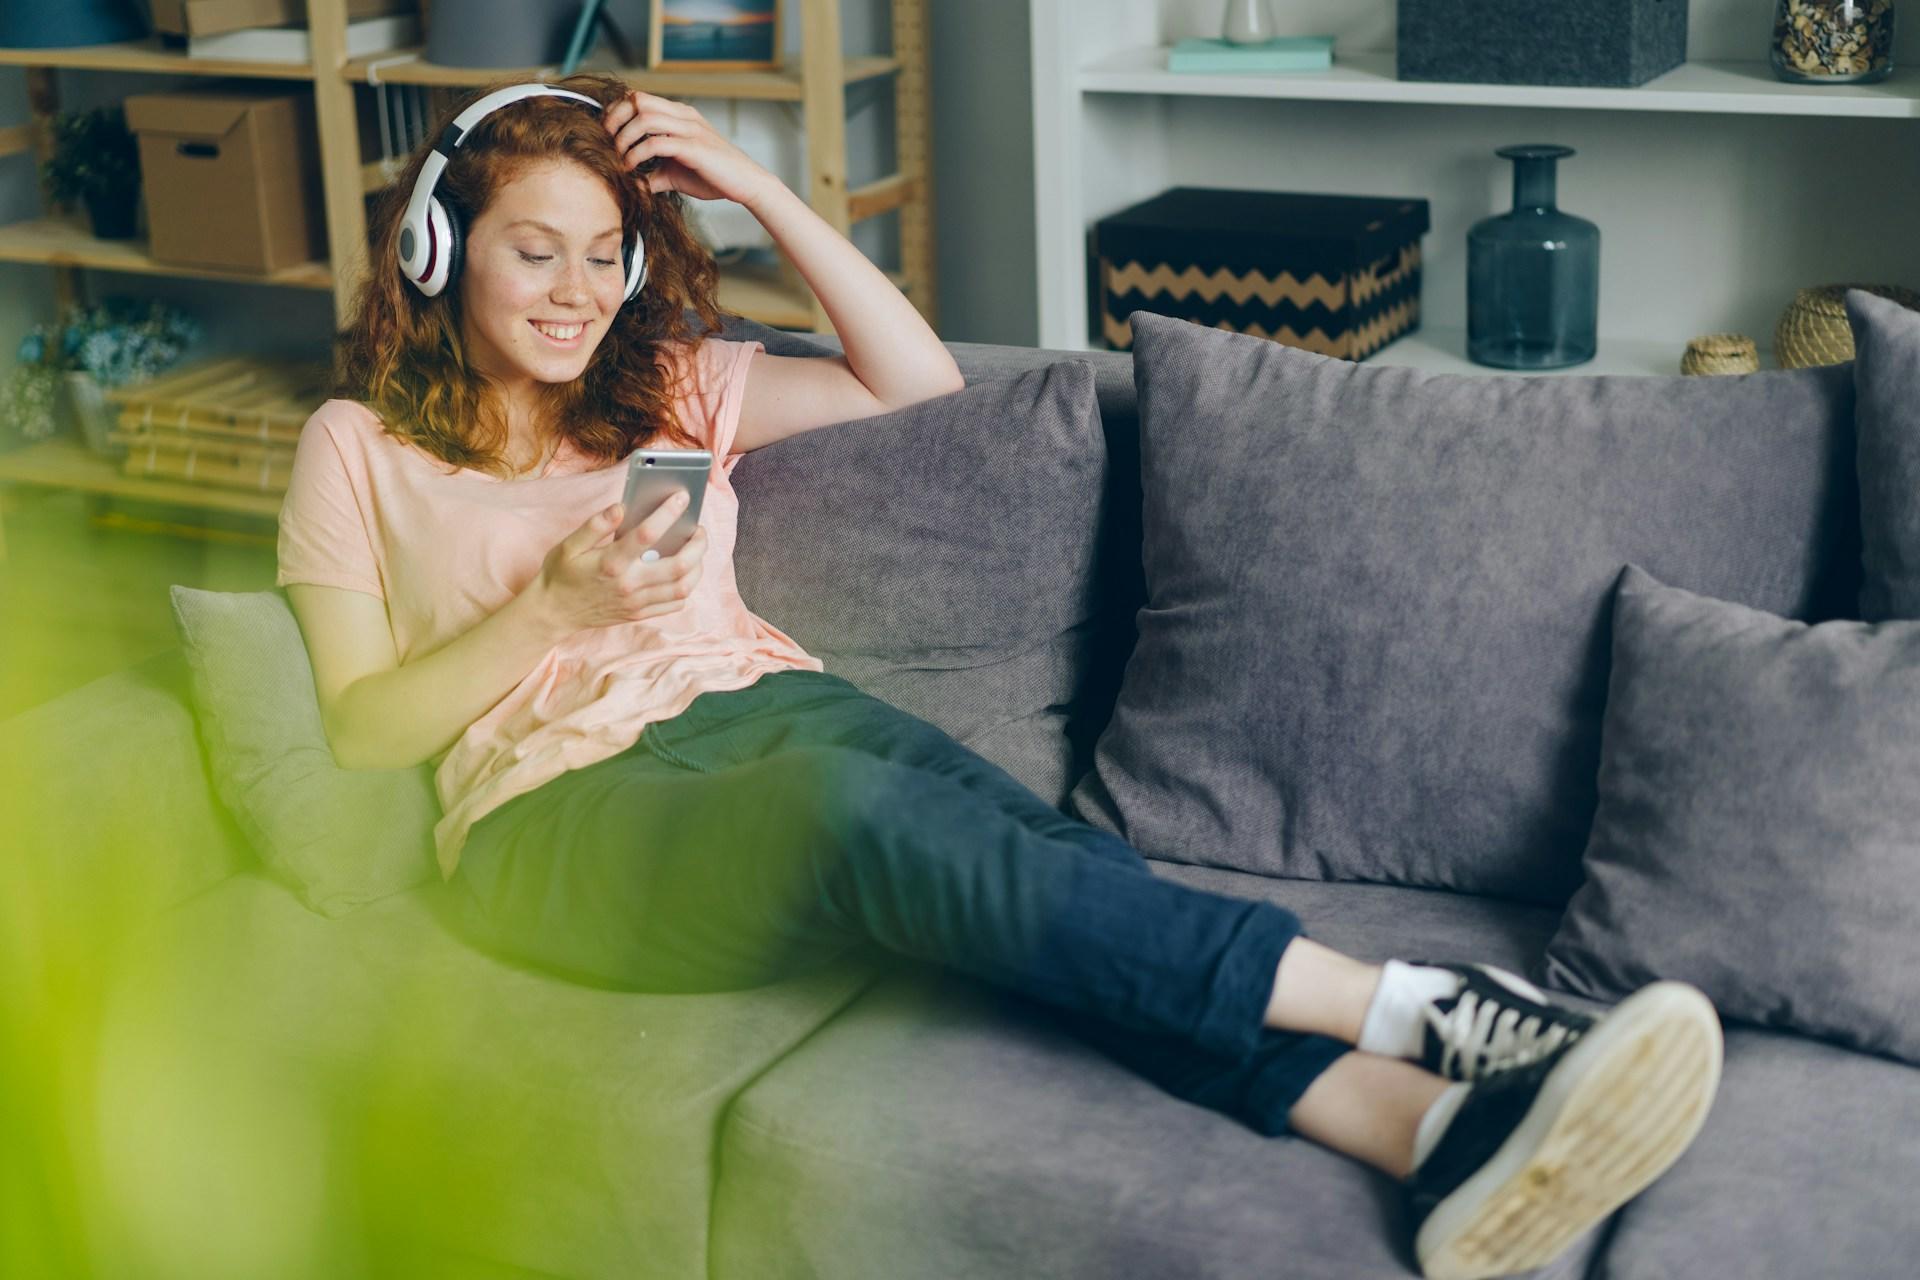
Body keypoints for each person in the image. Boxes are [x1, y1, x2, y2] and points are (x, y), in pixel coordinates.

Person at [277, 73, 1723, 1280]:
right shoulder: (354, 449)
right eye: (537, 251)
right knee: (858, 816)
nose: (579, 292)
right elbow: (358, 728)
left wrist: (758, 189)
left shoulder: (668, 389)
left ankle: (1430, 1140)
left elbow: (913, 379)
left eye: (608, 255)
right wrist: (553, 607)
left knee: (1036, 863)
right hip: (558, 818)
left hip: (765, 708)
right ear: (437, 250)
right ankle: (1428, 1010)